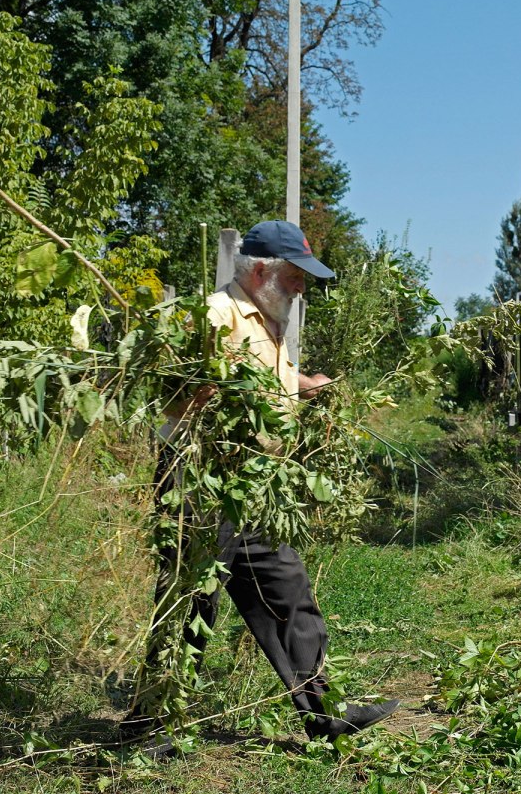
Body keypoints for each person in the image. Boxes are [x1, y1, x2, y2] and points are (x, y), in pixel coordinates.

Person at [122, 220, 399, 753]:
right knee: (188, 600)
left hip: (254, 483)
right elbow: (171, 393)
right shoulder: (212, 315)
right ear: (258, 270)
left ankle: (326, 714)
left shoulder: (268, 319)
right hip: (201, 478)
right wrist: (201, 391)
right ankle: (149, 726)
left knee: (287, 592)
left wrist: (304, 384)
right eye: (295, 277)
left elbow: (268, 378)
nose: (300, 288)